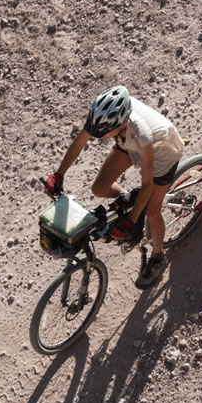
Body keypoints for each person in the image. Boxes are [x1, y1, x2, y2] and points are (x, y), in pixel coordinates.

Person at [45, 85, 184, 288]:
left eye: (103, 133)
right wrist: (58, 175)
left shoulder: (142, 133)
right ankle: (129, 201)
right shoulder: (102, 117)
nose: (98, 136)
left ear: (121, 123)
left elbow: (146, 184)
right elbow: (79, 142)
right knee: (99, 188)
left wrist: (131, 220)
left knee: (152, 210)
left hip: (162, 152)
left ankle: (158, 257)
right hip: (127, 141)